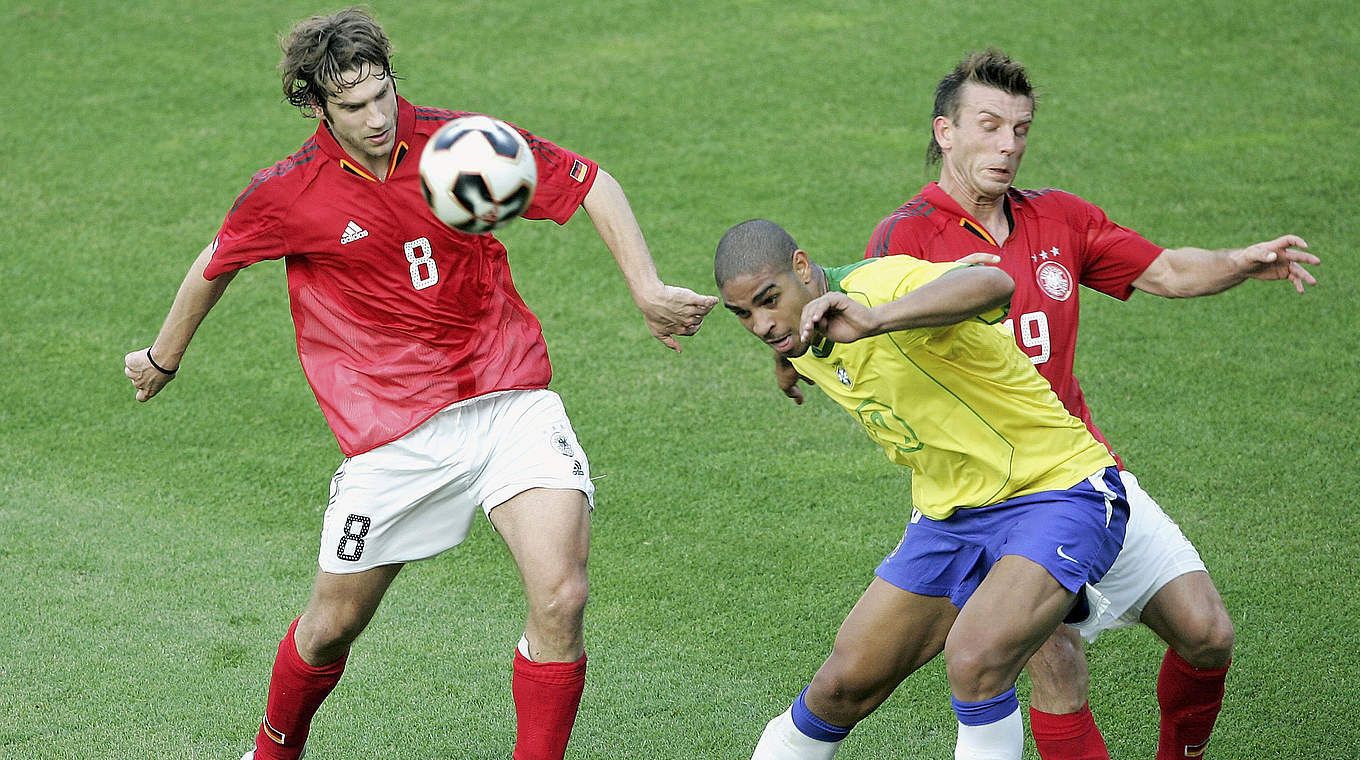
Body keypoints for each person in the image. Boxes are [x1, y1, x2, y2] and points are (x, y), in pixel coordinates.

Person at [122, 9, 717, 760]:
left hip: (510, 400)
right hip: (394, 435)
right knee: (331, 625)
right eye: (352, 106)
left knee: (562, 596)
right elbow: (218, 260)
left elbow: (588, 181)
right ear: (314, 106)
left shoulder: (459, 144)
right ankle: (273, 752)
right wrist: (162, 358)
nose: (376, 118)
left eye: (382, 95)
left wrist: (646, 285)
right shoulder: (288, 193)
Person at [774, 48, 1317, 760]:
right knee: (1053, 667)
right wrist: (789, 355)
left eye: (1020, 130)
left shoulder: (1058, 219)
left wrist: (1238, 262)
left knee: (1208, 633)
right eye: (990, 126)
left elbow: (1169, 270)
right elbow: (852, 335)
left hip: (1081, 475)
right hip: (988, 498)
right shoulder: (904, 238)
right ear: (946, 133)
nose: (1008, 146)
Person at [717, 218, 1134, 760]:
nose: (762, 324)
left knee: (975, 658)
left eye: (769, 300)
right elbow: (796, 341)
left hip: (1058, 489)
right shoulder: (802, 334)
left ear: (803, 268)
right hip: (950, 518)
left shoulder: (879, 288)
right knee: (840, 688)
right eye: (744, 313)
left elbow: (995, 285)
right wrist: (787, 357)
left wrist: (876, 322)